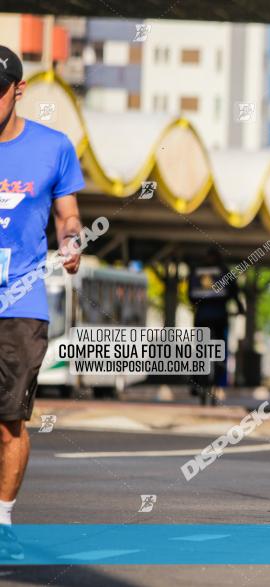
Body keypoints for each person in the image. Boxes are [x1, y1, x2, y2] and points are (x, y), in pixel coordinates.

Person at [0, 46, 85, 547]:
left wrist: (72, 240)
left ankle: (3, 517)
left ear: (19, 90)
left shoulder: (52, 146)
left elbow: (67, 216)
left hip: (20, 304)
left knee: (9, 423)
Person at [187, 247, 244, 405]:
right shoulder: (224, 271)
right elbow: (234, 293)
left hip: (201, 318)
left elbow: (190, 296)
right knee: (221, 351)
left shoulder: (197, 272)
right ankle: (219, 384)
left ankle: (195, 382)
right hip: (219, 318)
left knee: (199, 349)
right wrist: (240, 309)